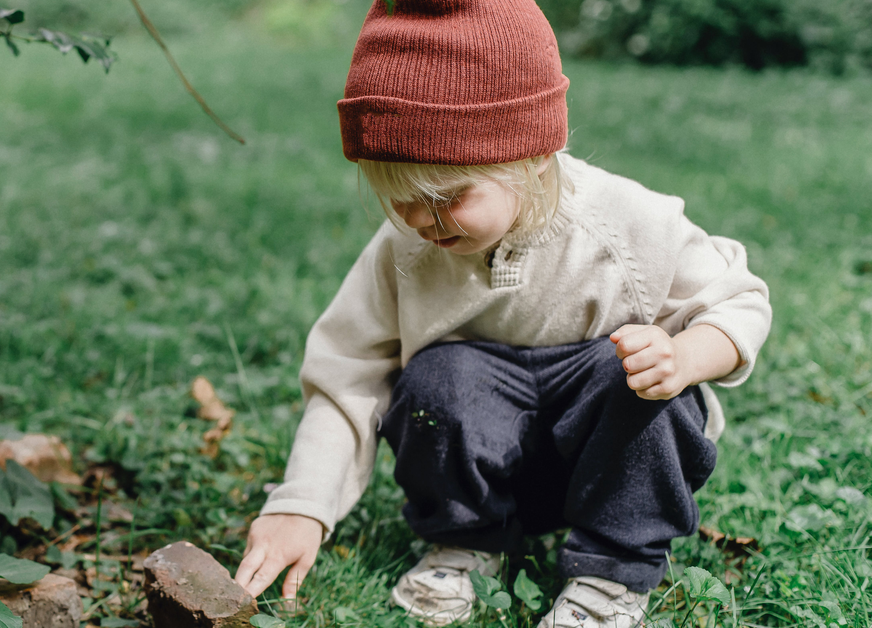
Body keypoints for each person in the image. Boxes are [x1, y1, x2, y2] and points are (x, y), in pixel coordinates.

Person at [232, 0, 773, 625]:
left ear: (533, 155)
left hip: (606, 460)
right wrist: (301, 504)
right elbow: (346, 374)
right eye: (398, 198)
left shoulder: (626, 225)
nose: (421, 223)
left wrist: (686, 355)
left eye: (447, 197)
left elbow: (739, 298)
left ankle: (611, 574)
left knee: (635, 378)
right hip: (489, 464)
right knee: (441, 377)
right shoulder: (406, 250)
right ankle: (468, 540)